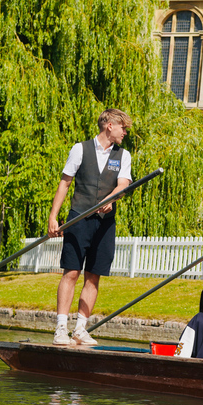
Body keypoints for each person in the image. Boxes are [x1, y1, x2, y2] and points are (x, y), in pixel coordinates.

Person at [47, 109, 133, 346]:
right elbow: (65, 183)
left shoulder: (123, 155)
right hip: (79, 218)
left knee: (93, 276)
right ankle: (61, 328)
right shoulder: (80, 149)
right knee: (72, 272)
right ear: (109, 126)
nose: (125, 132)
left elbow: (123, 185)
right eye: (123, 128)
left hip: (105, 224)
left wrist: (110, 200)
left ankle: (80, 329)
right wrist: (53, 217)